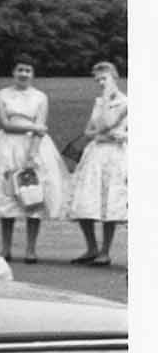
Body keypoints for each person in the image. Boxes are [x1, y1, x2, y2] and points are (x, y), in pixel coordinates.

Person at [0, 58, 68, 265]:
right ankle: (7, 247)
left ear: (33, 74)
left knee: (33, 196)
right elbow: (5, 124)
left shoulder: (40, 97)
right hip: (7, 146)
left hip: (33, 145)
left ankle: (30, 248)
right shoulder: (1, 95)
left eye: (28, 70)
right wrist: (35, 128)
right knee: (7, 195)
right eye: (20, 70)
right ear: (14, 72)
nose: (24, 74)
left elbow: (41, 125)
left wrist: (33, 154)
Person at [68, 60, 128, 267]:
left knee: (109, 201)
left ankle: (105, 250)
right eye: (98, 80)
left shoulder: (125, 102)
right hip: (95, 154)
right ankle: (91, 247)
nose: (101, 83)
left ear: (115, 77)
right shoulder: (98, 102)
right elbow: (89, 131)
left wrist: (107, 132)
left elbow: (109, 124)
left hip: (114, 155)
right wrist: (102, 134)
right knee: (85, 199)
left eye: (105, 78)